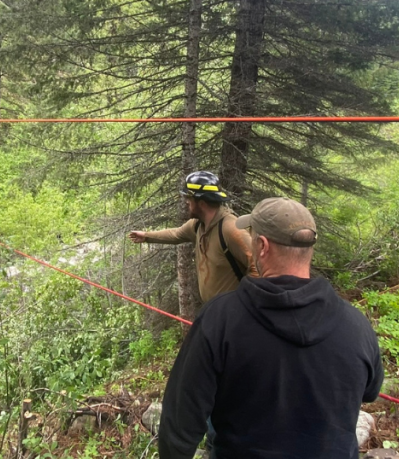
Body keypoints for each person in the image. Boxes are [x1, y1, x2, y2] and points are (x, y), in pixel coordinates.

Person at [158, 197, 384, 459]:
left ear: (262, 246)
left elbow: (180, 423)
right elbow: (371, 390)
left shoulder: (219, 320)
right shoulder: (356, 324)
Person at [129, 171, 254, 303]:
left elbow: (258, 264)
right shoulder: (197, 225)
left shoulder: (230, 229)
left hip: (234, 315)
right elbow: (175, 234)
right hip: (214, 314)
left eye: (189, 198)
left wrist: (245, 301)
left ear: (202, 203)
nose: (186, 201)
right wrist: (146, 236)